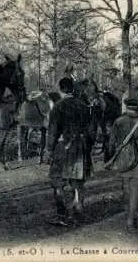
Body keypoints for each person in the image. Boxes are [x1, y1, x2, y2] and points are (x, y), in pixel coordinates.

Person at [46, 77, 92, 226]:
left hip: (62, 147)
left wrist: (49, 149)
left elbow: (52, 131)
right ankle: (78, 213)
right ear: (73, 89)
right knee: (77, 181)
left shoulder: (58, 107)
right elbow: (91, 130)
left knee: (58, 181)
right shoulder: (84, 106)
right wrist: (88, 147)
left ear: (60, 89)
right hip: (80, 146)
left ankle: (61, 215)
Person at [107, 97, 138, 233]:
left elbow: (111, 143)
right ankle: (130, 220)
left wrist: (110, 156)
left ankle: (126, 211)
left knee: (125, 186)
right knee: (135, 189)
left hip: (123, 159)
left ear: (126, 107)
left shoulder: (119, 121)